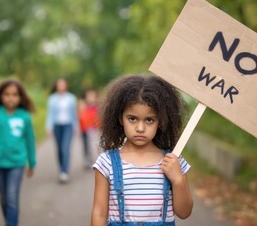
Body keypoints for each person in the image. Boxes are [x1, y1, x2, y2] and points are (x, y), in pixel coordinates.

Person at [91, 75, 193, 225]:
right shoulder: (106, 163)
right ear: (120, 118)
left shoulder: (173, 161)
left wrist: (178, 180)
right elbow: (99, 213)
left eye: (149, 120)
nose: (140, 128)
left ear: (161, 121)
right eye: (132, 119)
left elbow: (184, 213)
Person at [0, 79, 36, 226]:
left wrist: (32, 162)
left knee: (11, 198)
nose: (10, 98)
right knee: (3, 199)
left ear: (21, 97)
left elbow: (30, 140)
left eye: (15, 94)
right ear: (0, 96)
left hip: (17, 163)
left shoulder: (25, 117)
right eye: (7, 94)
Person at [46, 78, 78, 183]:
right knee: (59, 149)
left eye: (63, 84)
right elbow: (50, 114)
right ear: (56, 86)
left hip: (68, 125)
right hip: (57, 125)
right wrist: (49, 127)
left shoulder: (71, 98)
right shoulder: (52, 99)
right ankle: (61, 169)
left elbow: (74, 114)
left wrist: (76, 126)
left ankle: (64, 172)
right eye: (59, 84)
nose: (61, 86)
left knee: (65, 148)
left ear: (66, 85)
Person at [78, 89, 100, 168]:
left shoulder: (98, 108)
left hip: (97, 129)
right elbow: (82, 118)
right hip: (88, 129)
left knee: (97, 145)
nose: (91, 98)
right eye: (89, 96)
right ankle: (90, 160)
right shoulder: (85, 107)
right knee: (89, 145)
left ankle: (97, 161)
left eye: (92, 96)